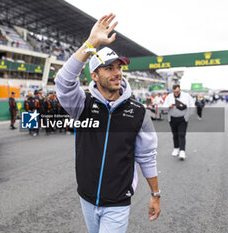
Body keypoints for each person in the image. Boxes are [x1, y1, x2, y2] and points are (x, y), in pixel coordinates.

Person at [55, 13, 160, 233]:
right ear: (94, 75)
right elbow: (63, 82)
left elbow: (147, 157)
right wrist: (90, 43)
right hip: (86, 197)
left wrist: (155, 195)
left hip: (118, 202)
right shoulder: (81, 104)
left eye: (119, 67)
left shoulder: (139, 112)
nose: (117, 73)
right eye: (109, 68)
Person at [163, 84, 195, 160]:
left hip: (183, 118)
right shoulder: (169, 97)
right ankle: (176, 148)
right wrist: (169, 107)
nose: (176, 93)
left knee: (181, 134)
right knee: (175, 134)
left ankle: (182, 151)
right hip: (172, 118)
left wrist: (187, 115)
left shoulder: (186, 96)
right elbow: (163, 108)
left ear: (180, 90)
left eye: (177, 92)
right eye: (174, 92)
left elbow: (192, 106)